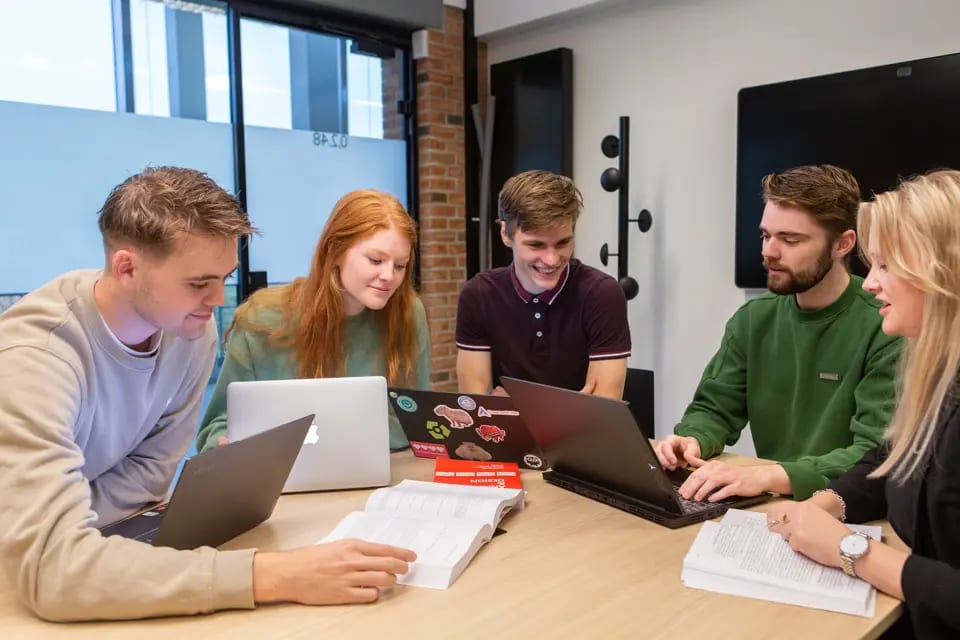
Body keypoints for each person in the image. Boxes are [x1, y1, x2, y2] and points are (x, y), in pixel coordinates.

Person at [0, 168, 415, 621]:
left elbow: (148, 478)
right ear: (127, 268)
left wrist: (71, 524)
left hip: (80, 544)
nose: (219, 300)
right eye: (199, 283)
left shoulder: (188, 332)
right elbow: (53, 572)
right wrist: (273, 576)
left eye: (225, 278)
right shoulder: (32, 358)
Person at [766, 170, 960, 638]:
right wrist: (832, 500)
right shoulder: (939, 378)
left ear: (944, 273)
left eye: (887, 266)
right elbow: (896, 457)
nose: (869, 284)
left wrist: (852, 552)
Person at [655, 165, 901, 501]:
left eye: (790, 239)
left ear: (842, 243)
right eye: (766, 235)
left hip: (846, 508)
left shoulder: (886, 324)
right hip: (772, 504)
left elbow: (875, 454)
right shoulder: (754, 319)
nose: (768, 251)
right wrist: (692, 440)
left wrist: (767, 476)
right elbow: (714, 409)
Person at [196, 189, 430, 453]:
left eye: (400, 266)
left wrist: (329, 442)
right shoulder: (261, 320)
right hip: (276, 477)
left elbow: (413, 420)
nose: (389, 276)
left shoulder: (408, 313)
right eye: (375, 260)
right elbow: (219, 425)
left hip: (376, 474)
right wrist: (225, 446)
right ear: (335, 251)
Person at [455, 170, 631, 400]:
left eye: (563, 243)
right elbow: (475, 407)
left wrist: (514, 405)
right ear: (505, 234)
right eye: (536, 245)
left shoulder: (601, 294)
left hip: (581, 438)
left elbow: (601, 415)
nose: (551, 259)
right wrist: (571, 408)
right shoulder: (478, 295)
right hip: (507, 436)